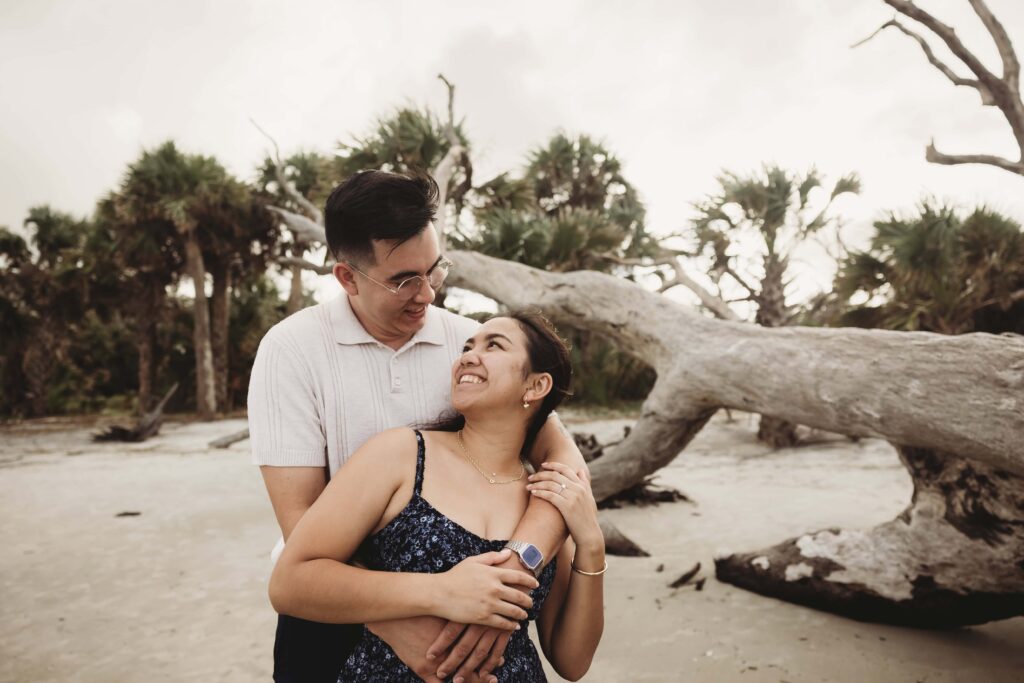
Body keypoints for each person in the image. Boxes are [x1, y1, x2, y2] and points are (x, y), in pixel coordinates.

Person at [248, 170, 587, 682]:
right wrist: (398, 622)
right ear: (347, 277)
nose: (427, 294)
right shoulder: (291, 349)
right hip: (334, 611)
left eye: (435, 271)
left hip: (477, 604)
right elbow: (301, 523)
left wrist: (519, 568)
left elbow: (564, 463)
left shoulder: (470, 343)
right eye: (404, 279)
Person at [269, 312, 605, 681]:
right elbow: (290, 583)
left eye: (493, 345)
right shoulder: (401, 454)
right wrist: (439, 591)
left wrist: (591, 545)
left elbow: (572, 661)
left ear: (536, 385)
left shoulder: (544, 501)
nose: (468, 356)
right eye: (466, 347)